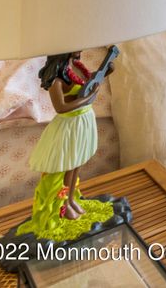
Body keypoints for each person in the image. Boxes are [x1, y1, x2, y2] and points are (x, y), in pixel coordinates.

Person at [30, 52, 106, 219]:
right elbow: (61, 107)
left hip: (84, 120)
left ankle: (71, 199)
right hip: (70, 125)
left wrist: (106, 71)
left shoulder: (77, 67)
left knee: (77, 164)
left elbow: (88, 82)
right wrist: (89, 97)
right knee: (69, 167)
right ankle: (63, 204)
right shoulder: (57, 81)